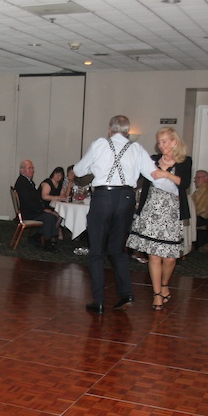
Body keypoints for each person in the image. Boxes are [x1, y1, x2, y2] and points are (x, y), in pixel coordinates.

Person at [73, 115, 157, 313]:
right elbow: (152, 174)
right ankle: (126, 293)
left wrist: (94, 167)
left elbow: (78, 170)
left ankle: (99, 301)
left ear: (110, 129)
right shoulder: (136, 148)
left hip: (103, 197)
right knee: (118, 249)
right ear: (127, 131)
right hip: (126, 199)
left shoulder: (100, 144)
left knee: (96, 252)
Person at [126, 128, 192, 310]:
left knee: (170, 258)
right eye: (159, 142)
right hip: (151, 211)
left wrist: (166, 174)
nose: (161, 145)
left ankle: (164, 284)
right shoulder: (153, 160)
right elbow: (138, 175)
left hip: (171, 212)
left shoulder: (184, 161)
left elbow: (184, 183)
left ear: (174, 142)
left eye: (164, 141)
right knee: (154, 255)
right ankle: (156, 294)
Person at [14, 160, 59, 251]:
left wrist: (43, 208)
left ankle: (37, 237)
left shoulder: (27, 182)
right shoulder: (22, 183)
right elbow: (28, 203)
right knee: (50, 217)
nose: (32, 170)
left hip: (30, 210)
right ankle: (47, 243)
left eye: (32, 168)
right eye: (29, 168)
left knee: (53, 215)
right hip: (27, 213)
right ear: (22, 170)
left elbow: (34, 200)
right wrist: (43, 210)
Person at [40, 166, 66, 241]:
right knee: (57, 215)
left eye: (60, 175)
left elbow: (63, 195)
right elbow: (44, 196)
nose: (58, 176)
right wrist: (57, 197)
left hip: (53, 206)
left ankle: (53, 232)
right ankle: (52, 233)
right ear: (53, 174)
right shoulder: (47, 183)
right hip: (43, 206)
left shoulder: (59, 185)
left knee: (61, 214)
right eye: (57, 174)